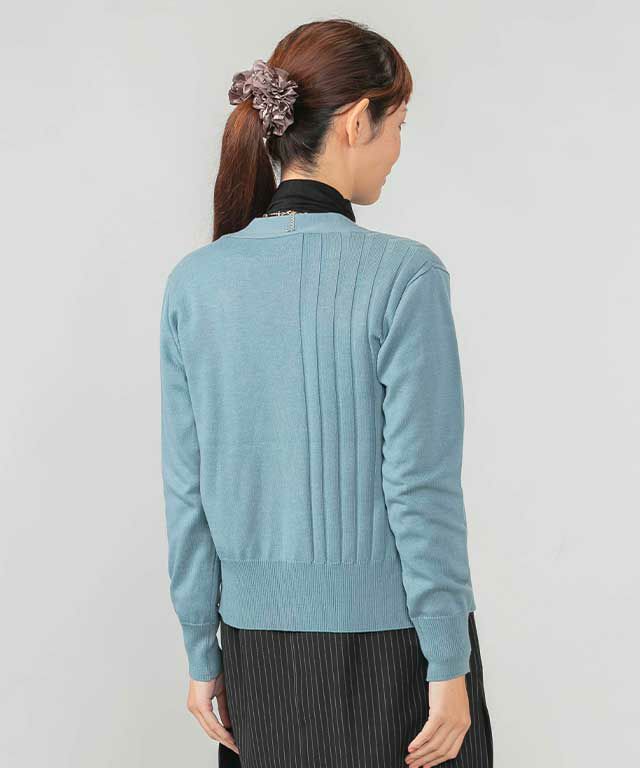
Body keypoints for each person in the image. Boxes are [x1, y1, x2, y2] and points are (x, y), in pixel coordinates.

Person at [159, 18, 493, 768]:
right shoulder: (405, 276)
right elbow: (421, 486)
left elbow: (188, 490)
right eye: (398, 125)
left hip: (254, 652)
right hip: (395, 650)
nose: (398, 149)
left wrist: (201, 651)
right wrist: (448, 662)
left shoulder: (195, 283)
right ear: (356, 121)